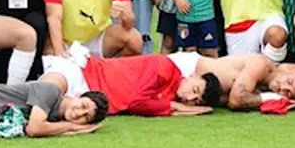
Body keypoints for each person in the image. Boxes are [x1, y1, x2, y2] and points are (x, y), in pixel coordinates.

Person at [40, 53, 215, 117]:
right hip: (82, 72)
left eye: (196, 101)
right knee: (38, 101)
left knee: (46, 113)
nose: (190, 98)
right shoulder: (164, 67)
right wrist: (177, 107)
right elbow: (136, 103)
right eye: (195, 90)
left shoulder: (171, 92)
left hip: (89, 95)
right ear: (193, 75)